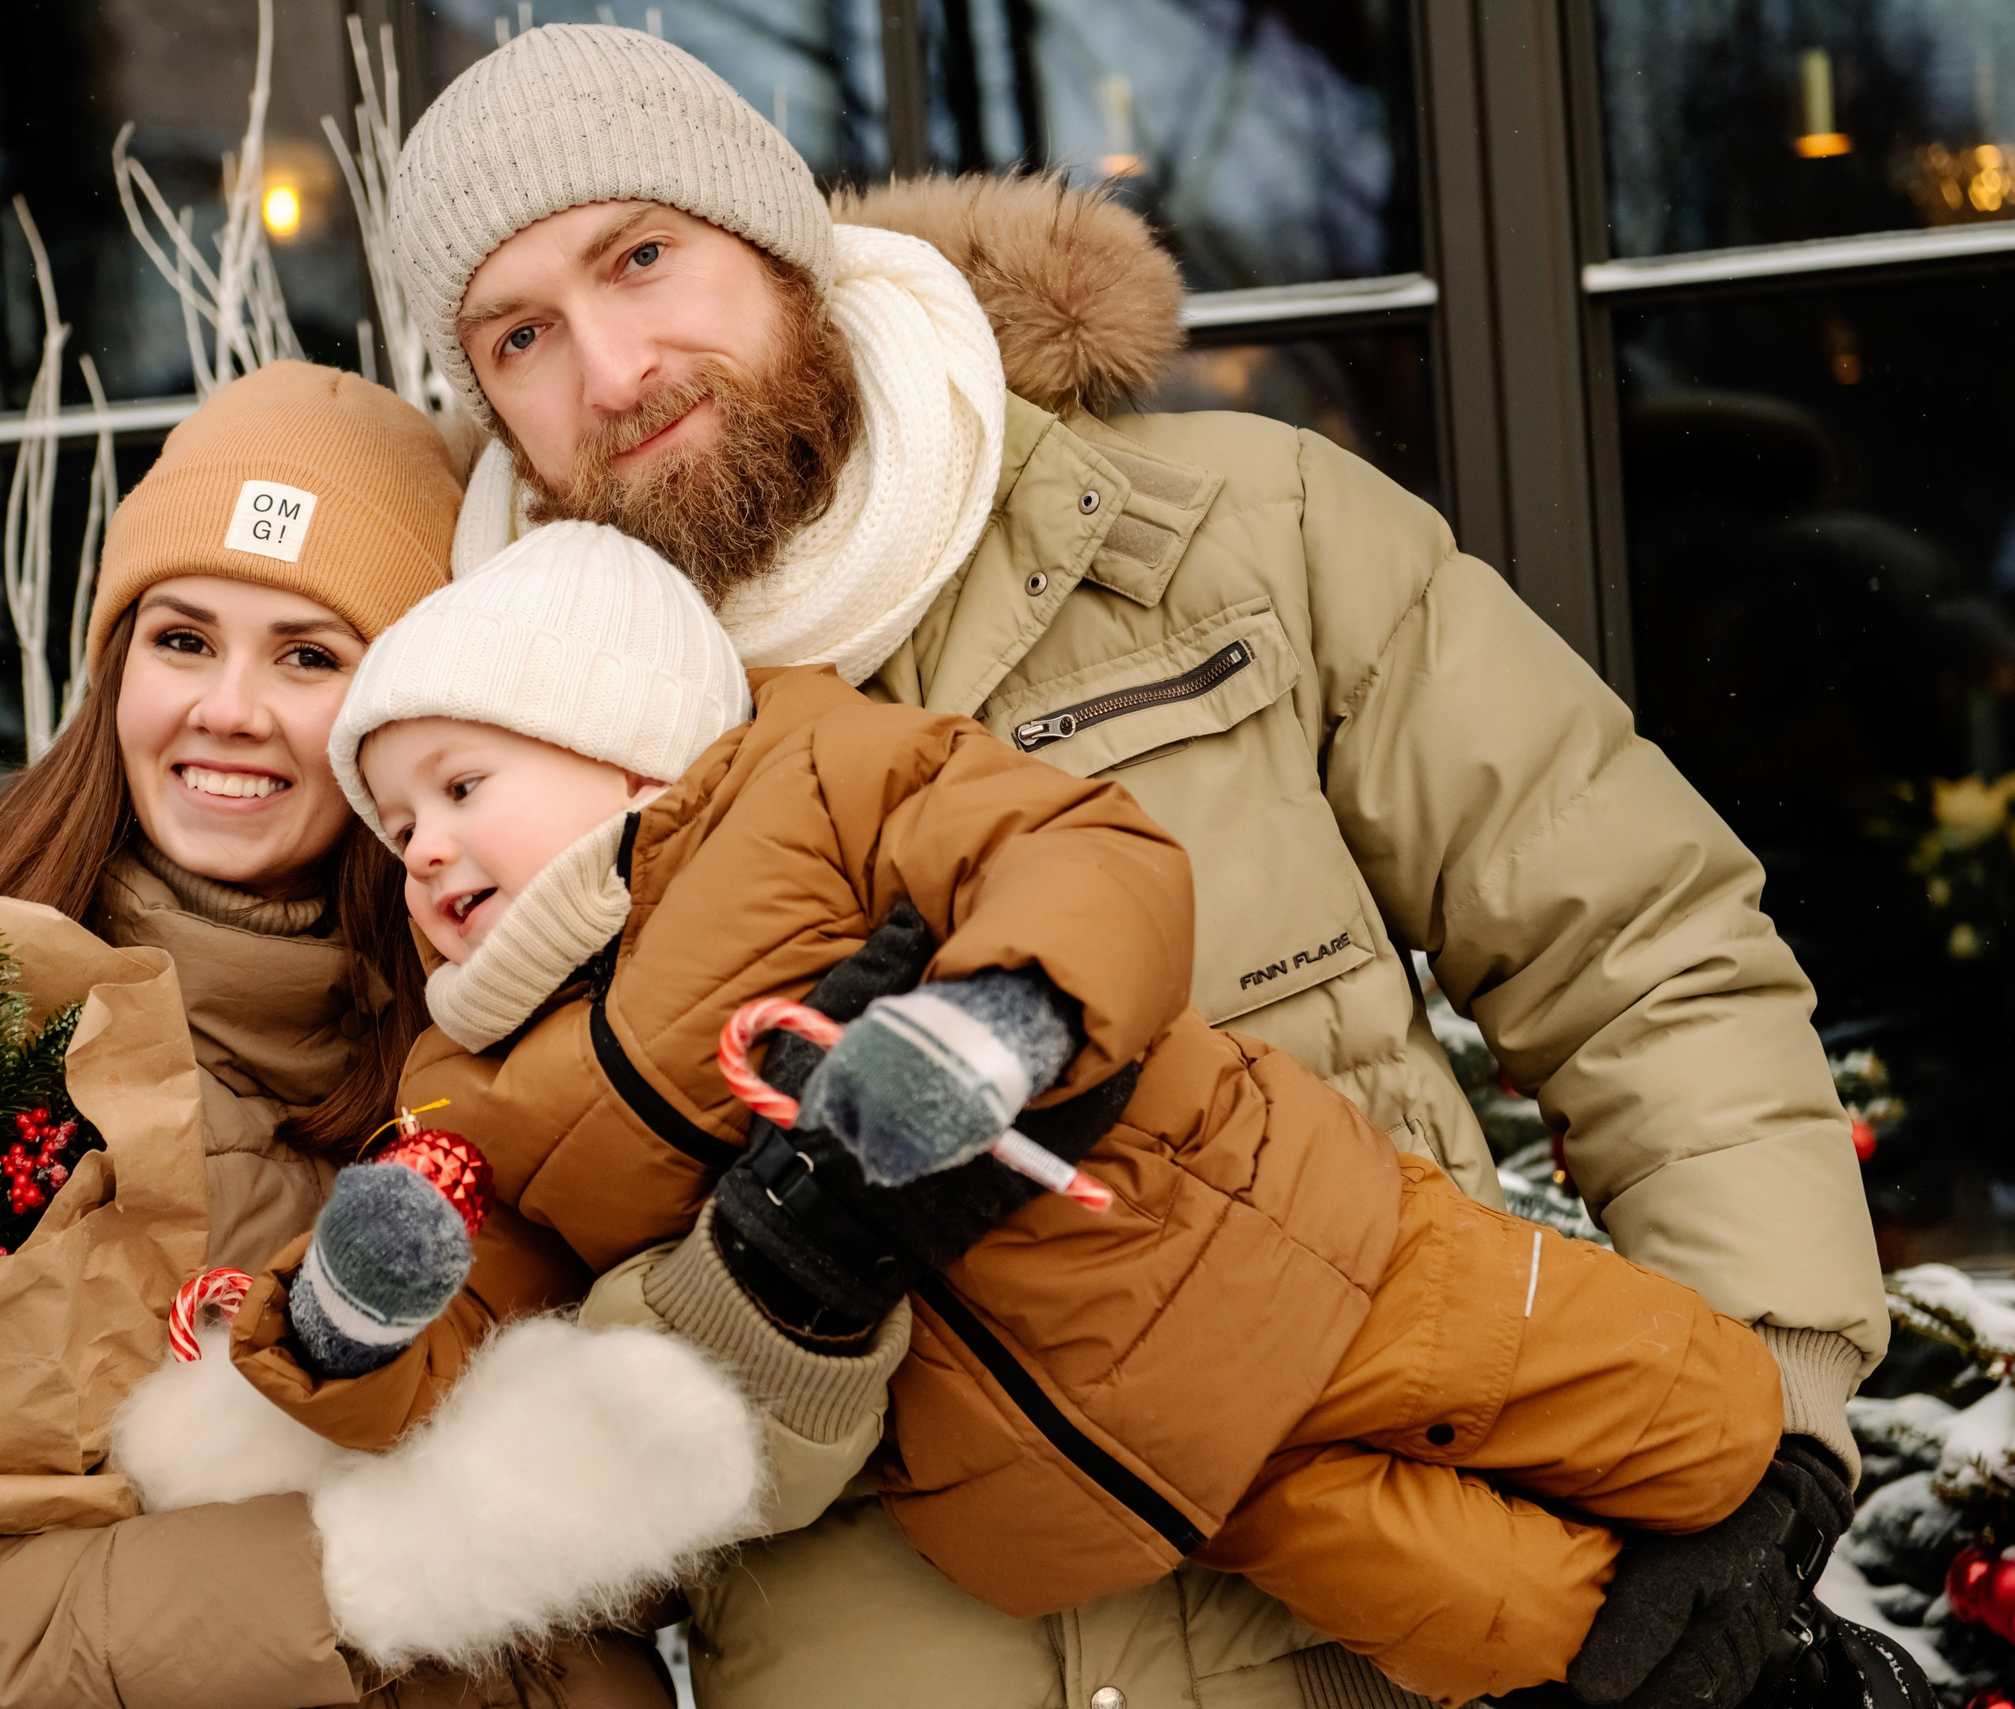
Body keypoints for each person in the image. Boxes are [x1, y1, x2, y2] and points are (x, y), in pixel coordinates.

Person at [381, 25, 1897, 1709]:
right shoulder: (494, 814)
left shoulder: (1234, 538)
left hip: (1390, 1649)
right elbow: (578, 1477)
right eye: (521, 333)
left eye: (643, 255)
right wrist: (775, 1293)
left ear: (782, 242)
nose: (611, 367)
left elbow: (1633, 945)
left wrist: (1773, 1401)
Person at [225, 518, 1799, 1705]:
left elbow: (1072, 851)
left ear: (619, 735)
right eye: (398, 822)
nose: (423, 849)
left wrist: (1001, 1014)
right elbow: (498, 1336)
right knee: (1510, 1621)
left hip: (1288, 1246)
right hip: (1104, 1473)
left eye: (460, 783)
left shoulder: (817, 779)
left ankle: (1780, 1551)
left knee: (1692, 1408)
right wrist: (357, 1325)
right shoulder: (475, 1078)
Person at [0, 362, 683, 1709]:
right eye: (182, 638)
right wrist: (364, 1568)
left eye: (309, 655)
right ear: (116, 670)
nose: (227, 706)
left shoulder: (530, 1023)